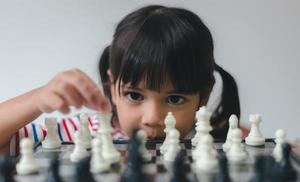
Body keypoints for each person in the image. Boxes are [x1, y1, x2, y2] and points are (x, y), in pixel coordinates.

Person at [0, 5, 240, 155]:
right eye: (134, 95)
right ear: (112, 88)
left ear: (203, 97)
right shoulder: (76, 135)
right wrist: (37, 99)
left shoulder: (222, 142)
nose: (152, 118)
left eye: (175, 99)